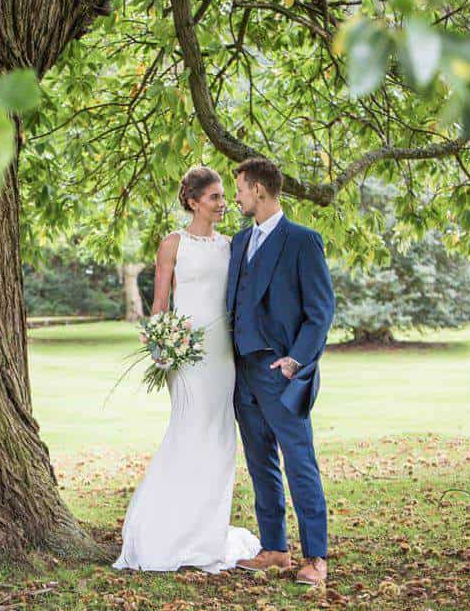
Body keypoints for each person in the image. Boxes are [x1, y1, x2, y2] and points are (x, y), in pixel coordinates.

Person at [113, 166, 260, 573]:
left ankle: (205, 531)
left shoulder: (231, 246)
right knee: (187, 432)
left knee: (218, 439)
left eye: (223, 196)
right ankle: (164, 529)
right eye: (214, 197)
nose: (222, 203)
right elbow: (160, 304)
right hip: (186, 355)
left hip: (222, 356)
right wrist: (162, 346)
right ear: (194, 201)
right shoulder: (172, 244)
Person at [226, 157, 334, 586]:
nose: (235, 196)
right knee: (260, 463)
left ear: (258, 189)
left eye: (239, 188)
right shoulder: (238, 242)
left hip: (281, 372)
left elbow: (320, 311)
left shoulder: (302, 241)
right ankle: (274, 549)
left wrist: (297, 360)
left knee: (299, 461)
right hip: (242, 371)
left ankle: (316, 557)